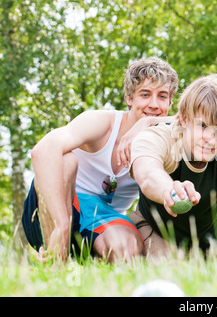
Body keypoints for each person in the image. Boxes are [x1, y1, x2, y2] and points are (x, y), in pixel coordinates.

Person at [22, 57, 179, 263]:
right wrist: (62, 224)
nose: (154, 104)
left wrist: (149, 122)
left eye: (162, 96)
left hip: (103, 218)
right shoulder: (101, 122)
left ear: (170, 103)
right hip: (58, 204)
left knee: (128, 249)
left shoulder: (168, 137)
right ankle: (54, 259)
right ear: (129, 98)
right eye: (145, 94)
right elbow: (42, 151)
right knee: (66, 160)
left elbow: (208, 108)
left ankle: (84, 260)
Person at [129, 75, 217, 262]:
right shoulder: (157, 137)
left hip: (212, 238)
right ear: (184, 119)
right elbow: (148, 174)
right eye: (203, 125)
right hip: (158, 231)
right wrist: (169, 190)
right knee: (168, 276)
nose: (211, 138)